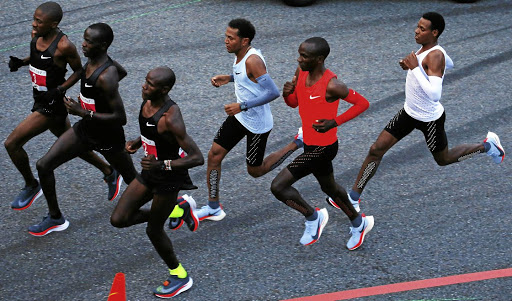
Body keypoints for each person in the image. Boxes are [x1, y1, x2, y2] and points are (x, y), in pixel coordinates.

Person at [344, 12, 505, 212]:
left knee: (443, 159)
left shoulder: (435, 55)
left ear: (434, 32)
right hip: (409, 113)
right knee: (376, 150)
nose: (416, 31)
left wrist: (414, 68)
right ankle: (353, 197)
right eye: (417, 26)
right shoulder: (431, 51)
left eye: (422, 28)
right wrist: (418, 66)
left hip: (430, 119)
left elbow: (435, 94)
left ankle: (487, 146)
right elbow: (449, 62)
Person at [5, 2, 121, 212]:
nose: (34, 23)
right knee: (70, 144)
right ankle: (109, 170)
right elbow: (38, 56)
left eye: (39, 21)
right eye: (34, 19)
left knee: (12, 144)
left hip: (51, 106)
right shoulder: (37, 36)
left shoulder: (64, 45)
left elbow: (78, 71)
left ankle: (32, 185)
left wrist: (59, 90)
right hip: (40, 98)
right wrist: (21, 62)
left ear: (53, 24)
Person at [28, 23, 138, 236]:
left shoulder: (107, 76)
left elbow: (121, 118)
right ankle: (55, 218)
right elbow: (120, 71)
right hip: (85, 130)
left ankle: (175, 205)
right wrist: (80, 98)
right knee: (44, 165)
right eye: (84, 39)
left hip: (108, 137)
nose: (83, 44)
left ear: (103, 45)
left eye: (89, 41)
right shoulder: (94, 62)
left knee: (134, 180)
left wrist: (83, 111)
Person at [191, 18, 303, 222]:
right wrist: (230, 78)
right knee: (214, 156)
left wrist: (241, 105)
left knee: (255, 171)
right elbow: (247, 77)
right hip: (241, 116)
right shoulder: (240, 55)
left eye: (230, 38)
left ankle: (297, 142)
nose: (225, 41)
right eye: (226, 36)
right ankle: (213, 206)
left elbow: (273, 92)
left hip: (257, 124)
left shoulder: (253, 60)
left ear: (244, 41)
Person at [271, 37, 373, 250]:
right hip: (309, 143)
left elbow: (362, 103)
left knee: (278, 187)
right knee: (329, 187)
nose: (299, 59)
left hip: (324, 148)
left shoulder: (332, 85)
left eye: (304, 56)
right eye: (299, 54)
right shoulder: (301, 73)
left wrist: (334, 122)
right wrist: (286, 93)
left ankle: (312, 217)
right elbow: (294, 103)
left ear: (319, 59)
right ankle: (358, 223)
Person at [110, 66, 204, 298]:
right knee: (119, 219)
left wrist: (163, 165)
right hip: (150, 171)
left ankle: (181, 276)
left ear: (164, 89)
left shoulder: (170, 117)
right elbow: (152, 135)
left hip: (167, 178)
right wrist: (136, 142)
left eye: (150, 84)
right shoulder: (146, 103)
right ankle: (178, 211)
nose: (144, 86)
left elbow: (197, 157)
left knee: (154, 230)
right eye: (145, 81)